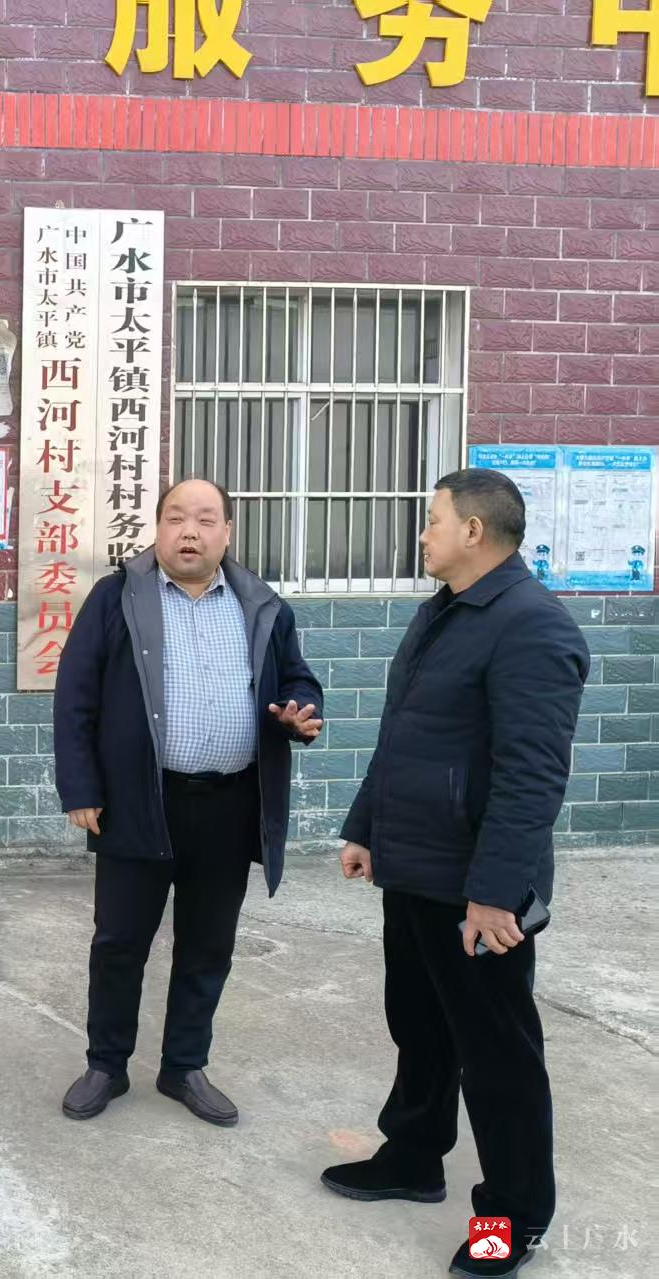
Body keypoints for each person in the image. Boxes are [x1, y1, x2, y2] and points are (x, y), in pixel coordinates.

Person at [321, 469, 587, 1278]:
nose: (422, 533)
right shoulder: (443, 612)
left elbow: (531, 777)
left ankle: (511, 1220)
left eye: (432, 519)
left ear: (473, 530)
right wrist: (367, 827)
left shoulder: (532, 626)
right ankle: (412, 1156)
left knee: (498, 1060)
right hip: (415, 870)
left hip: (476, 893)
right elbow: (404, 733)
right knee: (421, 1028)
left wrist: (495, 894)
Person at [53, 478, 323, 1127]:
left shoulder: (262, 605)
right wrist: (81, 788)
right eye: (176, 518)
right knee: (119, 941)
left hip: (230, 803)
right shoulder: (117, 597)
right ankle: (106, 1063)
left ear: (227, 531)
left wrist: (301, 711)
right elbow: (75, 694)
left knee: (208, 944)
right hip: (138, 801)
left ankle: (183, 1065)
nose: (189, 532)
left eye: (205, 519)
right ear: (158, 529)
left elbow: (297, 678)